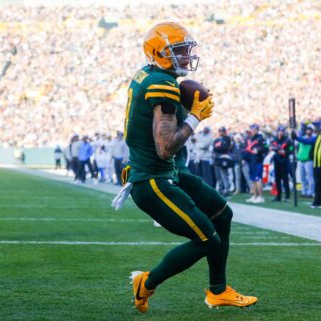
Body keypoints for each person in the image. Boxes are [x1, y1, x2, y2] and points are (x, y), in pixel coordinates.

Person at [120, 22, 257, 313]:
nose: (185, 57)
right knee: (206, 237)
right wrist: (195, 117)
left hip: (168, 172)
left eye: (185, 50)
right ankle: (146, 282)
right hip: (153, 180)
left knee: (223, 214)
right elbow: (165, 146)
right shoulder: (161, 84)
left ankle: (218, 291)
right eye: (178, 51)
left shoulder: (152, 74)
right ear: (159, 53)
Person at [244, 124, 267, 203]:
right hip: (251, 161)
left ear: (257, 130)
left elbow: (266, 147)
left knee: (258, 179)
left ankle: (261, 197)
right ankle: (255, 195)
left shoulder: (260, 138)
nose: (252, 131)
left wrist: (258, 150)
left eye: (254, 129)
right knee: (253, 180)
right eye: (251, 129)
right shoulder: (250, 138)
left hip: (258, 161)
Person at [269, 126, 293, 202]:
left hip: (284, 160)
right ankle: (278, 196)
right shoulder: (274, 140)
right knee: (277, 179)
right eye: (279, 131)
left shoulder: (287, 140)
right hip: (277, 160)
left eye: (281, 131)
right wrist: (271, 148)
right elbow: (268, 146)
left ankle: (287, 196)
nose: (280, 133)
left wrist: (285, 152)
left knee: (285, 179)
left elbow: (292, 149)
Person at [213, 126, 233, 197]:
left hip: (224, 159)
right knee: (218, 176)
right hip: (217, 159)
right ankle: (220, 190)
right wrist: (219, 147)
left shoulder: (227, 138)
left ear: (225, 132)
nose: (221, 133)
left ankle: (227, 190)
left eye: (222, 131)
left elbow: (225, 148)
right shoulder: (216, 140)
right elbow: (214, 148)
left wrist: (219, 147)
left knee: (224, 175)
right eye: (220, 131)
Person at [297, 124, 315, 198]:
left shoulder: (312, 139)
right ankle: (304, 191)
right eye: (307, 129)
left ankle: (310, 192)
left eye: (310, 129)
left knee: (310, 177)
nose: (308, 130)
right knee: (302, 177)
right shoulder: (303, 138)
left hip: (308, 160)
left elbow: (305, 141)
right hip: (301, 160)